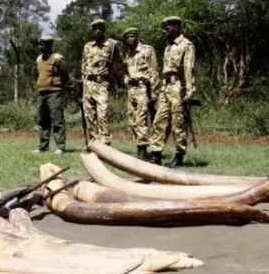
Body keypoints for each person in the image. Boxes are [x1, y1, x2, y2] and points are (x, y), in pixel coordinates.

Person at [148, 16, 196, 167]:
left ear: (176, 27)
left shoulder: (186, 45)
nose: (165, 31)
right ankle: (156, 154)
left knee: (178, 123)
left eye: (167, 28)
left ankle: (179, 156)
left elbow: (189, 69)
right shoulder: (168, 47)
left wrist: (189, 91)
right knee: (159, 121)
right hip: (165, 87)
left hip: (178, 87)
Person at [80, 18, 124, 146]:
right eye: (95, 29)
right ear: (92, 31)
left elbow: (120, 63)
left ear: (104, 30)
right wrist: (84, 81)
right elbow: (83, 65)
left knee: (102, 114)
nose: (97, 31)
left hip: (102, 83)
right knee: (89, 115)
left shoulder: (112, 45)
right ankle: (94, 144)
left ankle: (105, 144)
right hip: (88, 84)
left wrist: (112, 76)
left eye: (100, 29)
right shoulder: (87, 46)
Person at [122, 27, 160, 160]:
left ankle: (143, 150)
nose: (129, 39)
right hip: (132, 90)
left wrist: (153, 94)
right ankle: (139, 146)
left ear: (137, 37)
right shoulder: (128, 54)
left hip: (145, 88)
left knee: (141, 119)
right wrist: (126, 81)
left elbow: (154, 72)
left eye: (132, 36)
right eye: (127, 37)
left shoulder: (147, 50)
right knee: (132, 121)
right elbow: (126, 72)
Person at [34, 35, 69, 155]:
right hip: (41, 92)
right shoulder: (39, 59)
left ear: (49, 45)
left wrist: (61, 88)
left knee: (57, 119)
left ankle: (60, 146)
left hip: (55, 92)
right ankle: (43, 146)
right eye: (39, 44)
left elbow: (65, 75)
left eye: (43, 45)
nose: (40, 47)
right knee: (42, 120)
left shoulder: (58, 58)